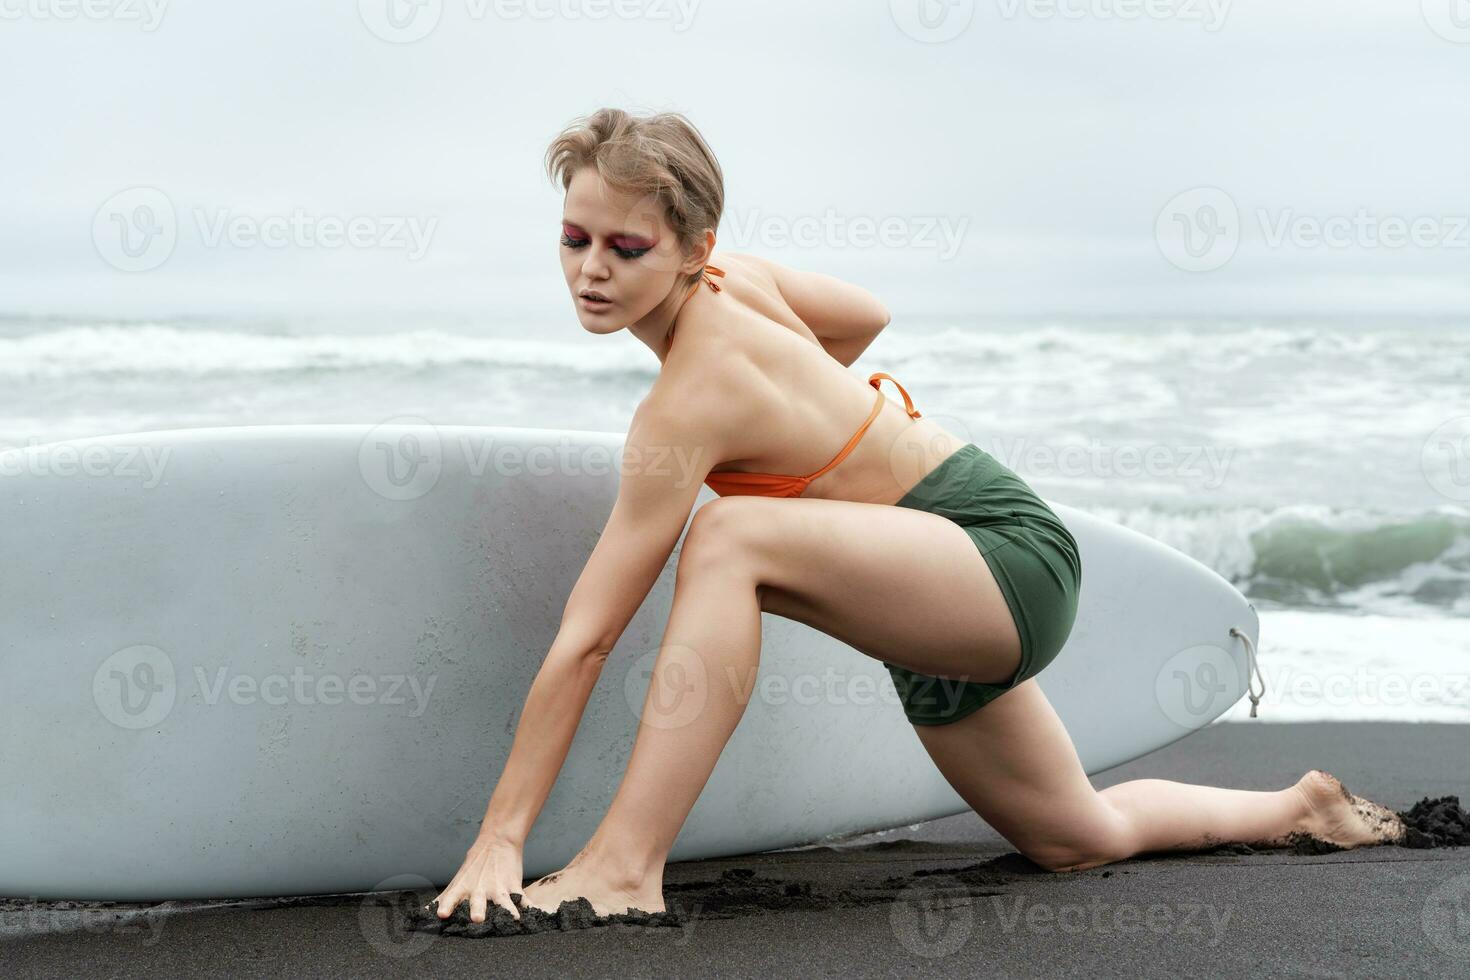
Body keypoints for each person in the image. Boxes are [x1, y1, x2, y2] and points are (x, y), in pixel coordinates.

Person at [433, 108, 1405, 923]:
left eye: (625, 246)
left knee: (728, 536)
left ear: (694, 248)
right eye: (574, 238)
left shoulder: (685, 403)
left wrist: (499, 838)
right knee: (1077, 836)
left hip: (995, 552)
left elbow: (588, 635)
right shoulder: (748, 283)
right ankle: (1302, 806)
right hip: (931, 588)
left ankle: (623, 866)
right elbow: (865, 313)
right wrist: (820, 433)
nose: (591, 269)